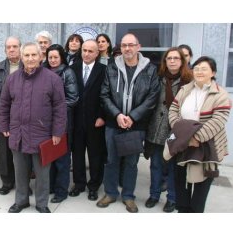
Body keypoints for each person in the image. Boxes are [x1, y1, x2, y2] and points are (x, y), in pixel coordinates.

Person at [0, 42, 66, 213]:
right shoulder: (12, 79)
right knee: (20, 172)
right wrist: (4, 125)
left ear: (41, 57)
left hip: (42, 135)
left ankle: (42, 203)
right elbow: (4, 104)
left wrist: (58, 132)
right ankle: (21, 201)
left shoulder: (53, 79)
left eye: (33, 55)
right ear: (21, 57)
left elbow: (60, 108)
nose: (30, 59)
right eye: (26, 55)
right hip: (18, 134)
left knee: (43, 174)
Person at [98, 33, 159, 213]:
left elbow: (152, 97)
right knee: (111, 160)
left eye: (131, 45)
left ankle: (128, 196)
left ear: (138, 47)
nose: (127, 49)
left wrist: (132, 116)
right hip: (113, 123)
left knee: (131, 162)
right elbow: (104, 94)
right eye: (124, 45)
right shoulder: (111, 67)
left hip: (136, 124)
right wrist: (117, 115)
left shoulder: (150, 69)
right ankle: (110, 193)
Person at [168, 56, 231, 213]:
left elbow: (218, 121)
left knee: (201, 185)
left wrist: (196, 138)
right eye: (196, 68)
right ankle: (183, 210)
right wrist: (184, 138)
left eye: (204, 69)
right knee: (180, 181)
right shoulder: (185, 90)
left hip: (207, 147)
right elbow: (173, 111)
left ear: (213, 72)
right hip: (183, 145)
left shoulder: (220, 94)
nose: (199, 71)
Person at [144, 47, 193, 212]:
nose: (172, 61)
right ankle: (154, 195)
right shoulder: (158, 78)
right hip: (156, 128)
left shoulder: (189, 81)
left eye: (176, 58)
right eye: (169, 58)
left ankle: (172, 198)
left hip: (176, 130)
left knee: (173, 168)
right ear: (165, 61)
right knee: (156, 165)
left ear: (182, 61)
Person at [69, 39, 107, 201]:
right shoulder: (73, 68)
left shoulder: (104, 70)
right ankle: (79, 184)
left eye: (90, 51)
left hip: (96, 121)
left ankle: (94, 186)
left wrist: (102, 116)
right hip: (76, 121)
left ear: (97, 53)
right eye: (84, 50)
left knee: (95, 156)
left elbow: (108, 95)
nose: (86, 53)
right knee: (77, 154)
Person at [0, 36, 23, 195]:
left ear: (20, 48)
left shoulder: (29, 67)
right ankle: (7, 182)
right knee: (5, 153)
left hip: (24, 120)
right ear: (5, 49)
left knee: (23, 154)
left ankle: (23, 184)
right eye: (8, 47)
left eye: (15, 46)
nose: (11, 49)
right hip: (4, 120)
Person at [44, 44, 78, 203]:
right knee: (48, 157)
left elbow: (73, 98)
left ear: (62, 57)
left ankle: (61, 191)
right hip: (43, 123)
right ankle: (50, 186)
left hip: (62, 121)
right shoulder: (42, 71)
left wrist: (54, 108)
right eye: (50, 57)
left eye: (55, 57)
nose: (52, 60)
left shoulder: (68, 73)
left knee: (62, 159)